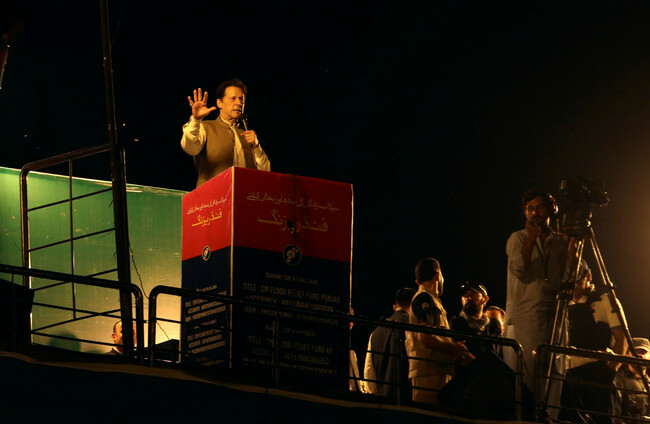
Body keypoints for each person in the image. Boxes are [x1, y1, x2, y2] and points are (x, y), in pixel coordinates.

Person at [504, 189, 577, 413]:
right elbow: (519, 268)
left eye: (539, 207)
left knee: (555, 369)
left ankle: (549, 417)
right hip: (526, 315)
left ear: (551, 210)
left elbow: (570, 276)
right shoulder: (518, 238)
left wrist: (572, 244)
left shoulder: (558, 240)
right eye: (530, 209)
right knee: (526, 373)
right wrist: (532, 239)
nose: (534, 213)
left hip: (553, 313)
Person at [559, 263, 627, 424]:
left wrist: (610, 371)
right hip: (569, 375)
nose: (574, 284)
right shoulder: (563, 305)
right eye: (569, 280)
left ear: (588, 275)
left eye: (577, 279)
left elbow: (622, 338)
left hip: (598, 374)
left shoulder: (606, 300)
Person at [180, 79, 271, 187]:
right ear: (219, 103)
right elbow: (190, 148)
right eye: (233, 98)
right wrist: (196, 120)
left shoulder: (247, 135)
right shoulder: (205, 127)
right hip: (212, 195)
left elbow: (266, 172)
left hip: (243, 194)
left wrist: (256, 146)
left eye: (241, 99)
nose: (239, 103)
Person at [405, 258, 471, 405]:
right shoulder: (425, 298)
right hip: (430, 373)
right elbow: (425, 337)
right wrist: (453, 347)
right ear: (438, 275)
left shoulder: (430, 299)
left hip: (435, 371)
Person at [363, 287, 416, 400]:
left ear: (394, 307)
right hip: (409, 398)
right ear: (414, 306)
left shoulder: (375, 333)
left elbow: (369, 373)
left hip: (383, 398)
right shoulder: (415, 328)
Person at [450, 282, 501, 359]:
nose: (468, 298)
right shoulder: (456, 323)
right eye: (464, 295)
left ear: (485, 299)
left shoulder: (492, 327)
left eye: (473, 294)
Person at [614, 337, 650, 423]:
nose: (640, 355)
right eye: (635, 352)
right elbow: (615, 416)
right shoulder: (618, 382)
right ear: (627, 355)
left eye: (644, 352)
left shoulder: (648, 383)